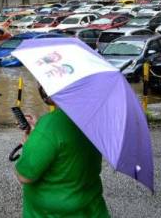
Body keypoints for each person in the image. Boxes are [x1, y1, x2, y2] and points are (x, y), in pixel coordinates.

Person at [14, 87, 109, 217]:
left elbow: (24, 175)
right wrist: (39, 131)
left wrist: (30, 141)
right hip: (93, 209)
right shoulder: (95, 117)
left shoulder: (50, 126)